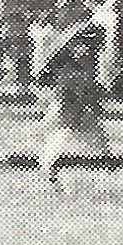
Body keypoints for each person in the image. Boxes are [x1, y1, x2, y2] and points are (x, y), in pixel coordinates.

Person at [38, 44, 112, 189]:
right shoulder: (62, 99)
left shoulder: (71, 95)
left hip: (76, 128)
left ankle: (55, 174)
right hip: (71, 128)